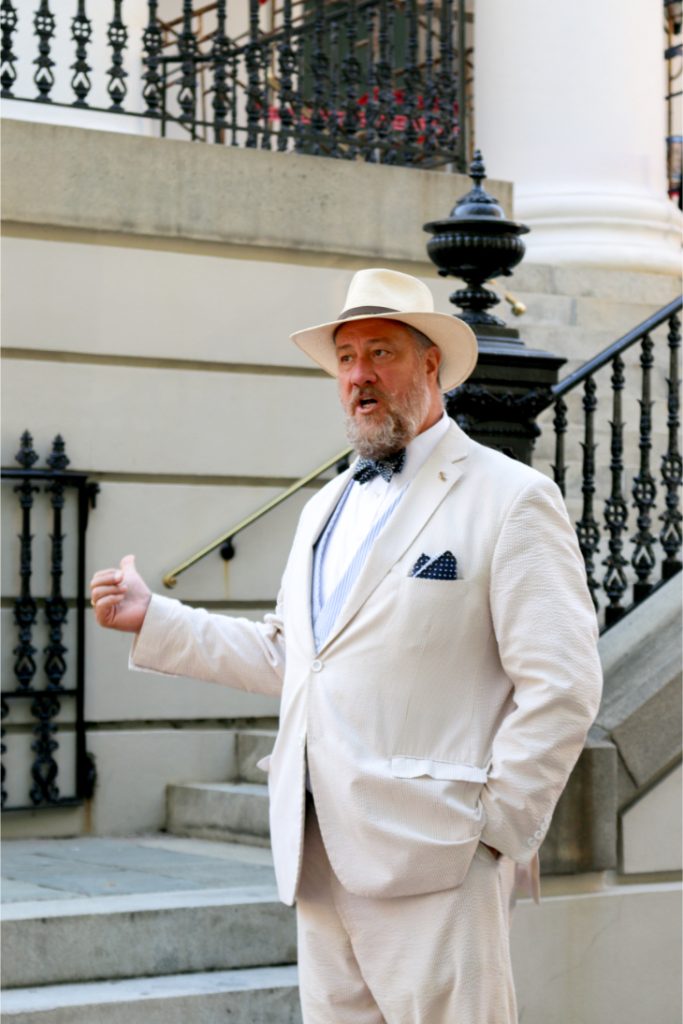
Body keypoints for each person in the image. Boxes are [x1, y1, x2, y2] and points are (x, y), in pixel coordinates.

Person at [91, 268, 603, 1023]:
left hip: (438, 857)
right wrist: (153, 617)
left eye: (381, 353)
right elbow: (293, 656)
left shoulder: (511, 499)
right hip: (317, 855)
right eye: (345, 357)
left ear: (431, 364)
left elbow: (562, 685)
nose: (359, 376)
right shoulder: (326, 504)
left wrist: (492, 831)